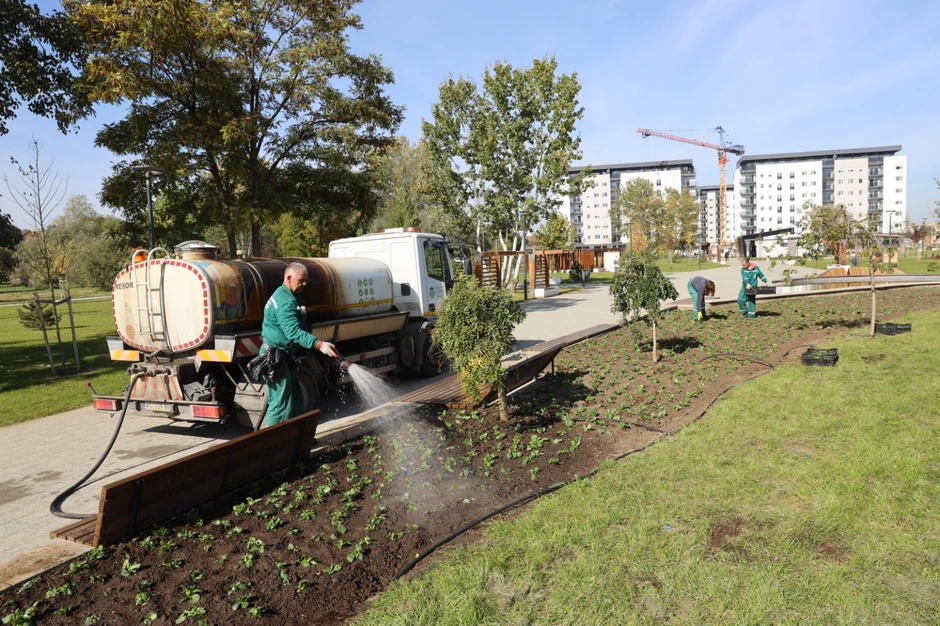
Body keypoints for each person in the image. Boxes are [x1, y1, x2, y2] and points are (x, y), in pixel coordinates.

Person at [261, 262, 337, 427]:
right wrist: (319, 344)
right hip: (276, 358)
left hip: (283, 355)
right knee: (280, 405)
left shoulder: (285, 294)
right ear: (288, 278)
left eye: (305, 280)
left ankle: (296, 438)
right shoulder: (285, 302)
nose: (305, 284)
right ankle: (275, 445)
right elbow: (293, 332)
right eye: (301, 280)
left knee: (295, 399)